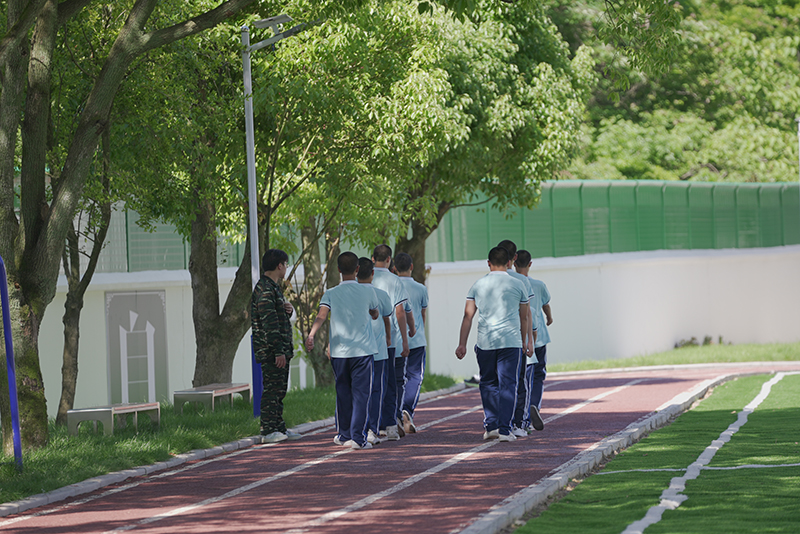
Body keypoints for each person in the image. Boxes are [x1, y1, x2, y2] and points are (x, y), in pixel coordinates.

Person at [305, 252, 380, 450]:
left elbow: (321, 316)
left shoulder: (331, 293)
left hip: (339, 353)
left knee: (343, 393)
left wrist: (311, 335)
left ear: (338, 270)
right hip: (362, 351)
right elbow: (375, 312)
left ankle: (344, 434)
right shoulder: (368, 291)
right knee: (361, 395)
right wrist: (372, 313)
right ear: (357, 269)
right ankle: (358, 438)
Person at [455, 246, 529, 442]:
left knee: (487, 383)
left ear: (488, 263)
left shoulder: (477, 285)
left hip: (485, 342)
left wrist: (462, 344)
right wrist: (525, 341)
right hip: (511, 341)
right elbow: (524, 317)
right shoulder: (518, 284)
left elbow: (468, 316)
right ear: (509, 262)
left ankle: (491, 426)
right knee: (508, 384)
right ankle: (505, 429)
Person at [251, 249, 300, 443]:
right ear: (279, 265)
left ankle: (279, 427)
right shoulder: (265, 288)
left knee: (279, 390)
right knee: (272, 390)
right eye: (285, 264)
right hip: (271, 350)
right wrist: (278, 351)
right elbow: (269, 322)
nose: (286, 268)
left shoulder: (273, 287)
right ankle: (268, 429)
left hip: (279, 349)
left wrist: (287, 310)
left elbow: (276, 315)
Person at [371, 244, 415, 440]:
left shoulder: (365, 278)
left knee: (370, 383)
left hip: (366, 339)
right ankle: (389, 425)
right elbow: (400, 311)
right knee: (390, 383)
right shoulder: (395, 280)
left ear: (373, 259)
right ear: (389, 260)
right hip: (389, 340)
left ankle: (371, 426)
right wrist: (405, 340)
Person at [497, 239, 536, 438]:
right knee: (518, 381)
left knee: (495, 383)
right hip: (514, 339)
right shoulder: (521, 280)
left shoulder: (487, 280)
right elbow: (527, 313)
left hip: (492, 339)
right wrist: (529, 340)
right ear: (514, 257)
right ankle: (518, 423)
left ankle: (497, 423)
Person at [356, 257, 393, 445]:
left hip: (355, 351)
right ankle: (371, 429)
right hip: (377, 351)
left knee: (356, 391)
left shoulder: (347, 294)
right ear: (373, 273)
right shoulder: (381, 295)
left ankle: (352, 429)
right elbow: (387, 318)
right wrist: (388, 337)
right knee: (376, 390)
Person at [515, 249, 551, 431]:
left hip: (520, 336)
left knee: (521, 377)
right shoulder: (538, 285)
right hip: (539, 336)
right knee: (538, 375)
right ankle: (534, 404)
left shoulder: (513, 283)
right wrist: (549, 317)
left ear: (514, 263)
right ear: (530, 264)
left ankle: (520, 414)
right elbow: (546, 304)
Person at [394, 252, 428, 434]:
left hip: (396, 340)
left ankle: (395, 413)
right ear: (412, 267)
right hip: (416, 339)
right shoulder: (421, 289)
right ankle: (407, 409)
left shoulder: (391, 286)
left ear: (394, 268)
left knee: (396, 378)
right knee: (415, 377)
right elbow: (422, 314)